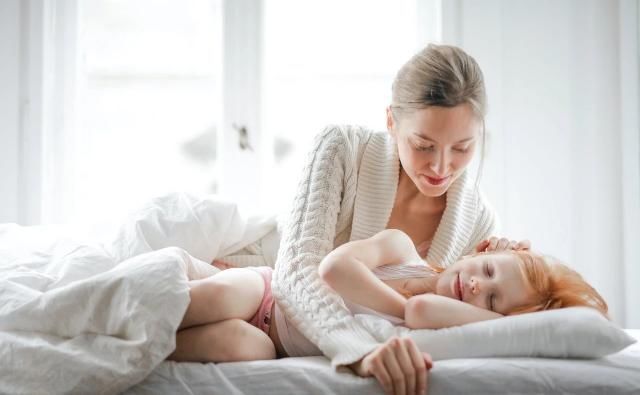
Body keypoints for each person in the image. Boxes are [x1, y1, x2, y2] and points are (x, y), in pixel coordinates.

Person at [268, 42, 522, 395]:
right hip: (264, 279)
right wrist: (360, 348)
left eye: (462, 148)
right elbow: (295, 270)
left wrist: (505, 262)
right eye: (423, 145)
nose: (440, 166)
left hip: (279, 332)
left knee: (239, 345)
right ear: (391, 121)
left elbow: (468, 318)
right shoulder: (342, 147)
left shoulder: (479, 223)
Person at [169, 230, 608, 382]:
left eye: (492, 301)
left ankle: (144, 343)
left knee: (243, 346)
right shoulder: (402, 251)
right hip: (271, 292)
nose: (475, 285)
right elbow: (334, 269)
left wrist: (489, 318)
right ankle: (146, 308)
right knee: (225, 295)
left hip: (273, 342)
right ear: (480, 250)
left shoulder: (437, 323)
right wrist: (402, 299)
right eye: (488, 270)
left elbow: (420, 314)